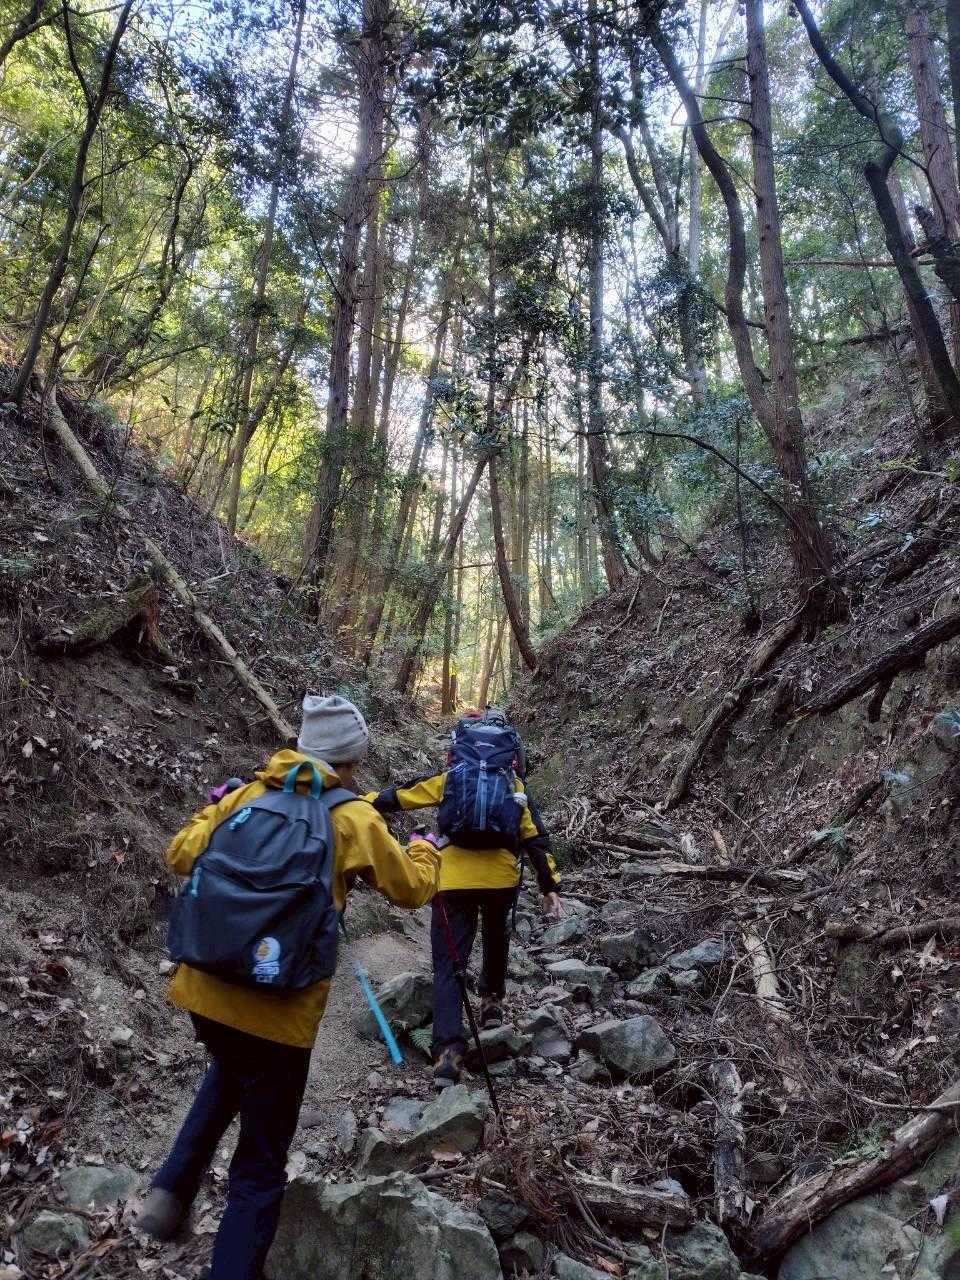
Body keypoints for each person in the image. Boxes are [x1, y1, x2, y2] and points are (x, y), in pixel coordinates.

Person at [137, 694, 440, 1280]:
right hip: (280, 1011)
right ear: (352, 760)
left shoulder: (249, 795)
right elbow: (410, 890)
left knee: (232, 1066)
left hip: (204, 990)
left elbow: (179, 854)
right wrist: (426, 849)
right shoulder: (353, 818)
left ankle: (168, 1194)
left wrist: (214, 807)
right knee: (260, 1164)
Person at [368, 706, 561, 1088]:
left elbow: (400, 797)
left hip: (452, 879)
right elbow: (536, 838)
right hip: (501, 879)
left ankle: (447, 1054)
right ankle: (491, 1003)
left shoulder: (449, 779)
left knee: (449, 962)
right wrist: (549, 886)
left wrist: (360, 799)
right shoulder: (513, 784)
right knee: (496, 935)